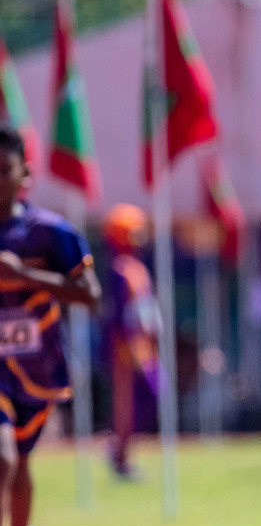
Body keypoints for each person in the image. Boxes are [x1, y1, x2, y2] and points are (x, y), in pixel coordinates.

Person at [0, 123, 100, 526]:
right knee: (0, 460)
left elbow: (90, 295)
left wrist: (24, 277)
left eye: (3, 172)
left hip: (37, 371)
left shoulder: (50, 232)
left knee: (19, 464)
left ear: (25, 176)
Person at [100, 204, 160, 481]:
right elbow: (118, 314)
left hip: (143, 345)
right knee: (128, 405)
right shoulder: (118, 270)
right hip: (126, 348)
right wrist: (129, 345)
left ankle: (121, 450)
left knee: (153, 394)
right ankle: (119, 455)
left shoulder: (137, 267)